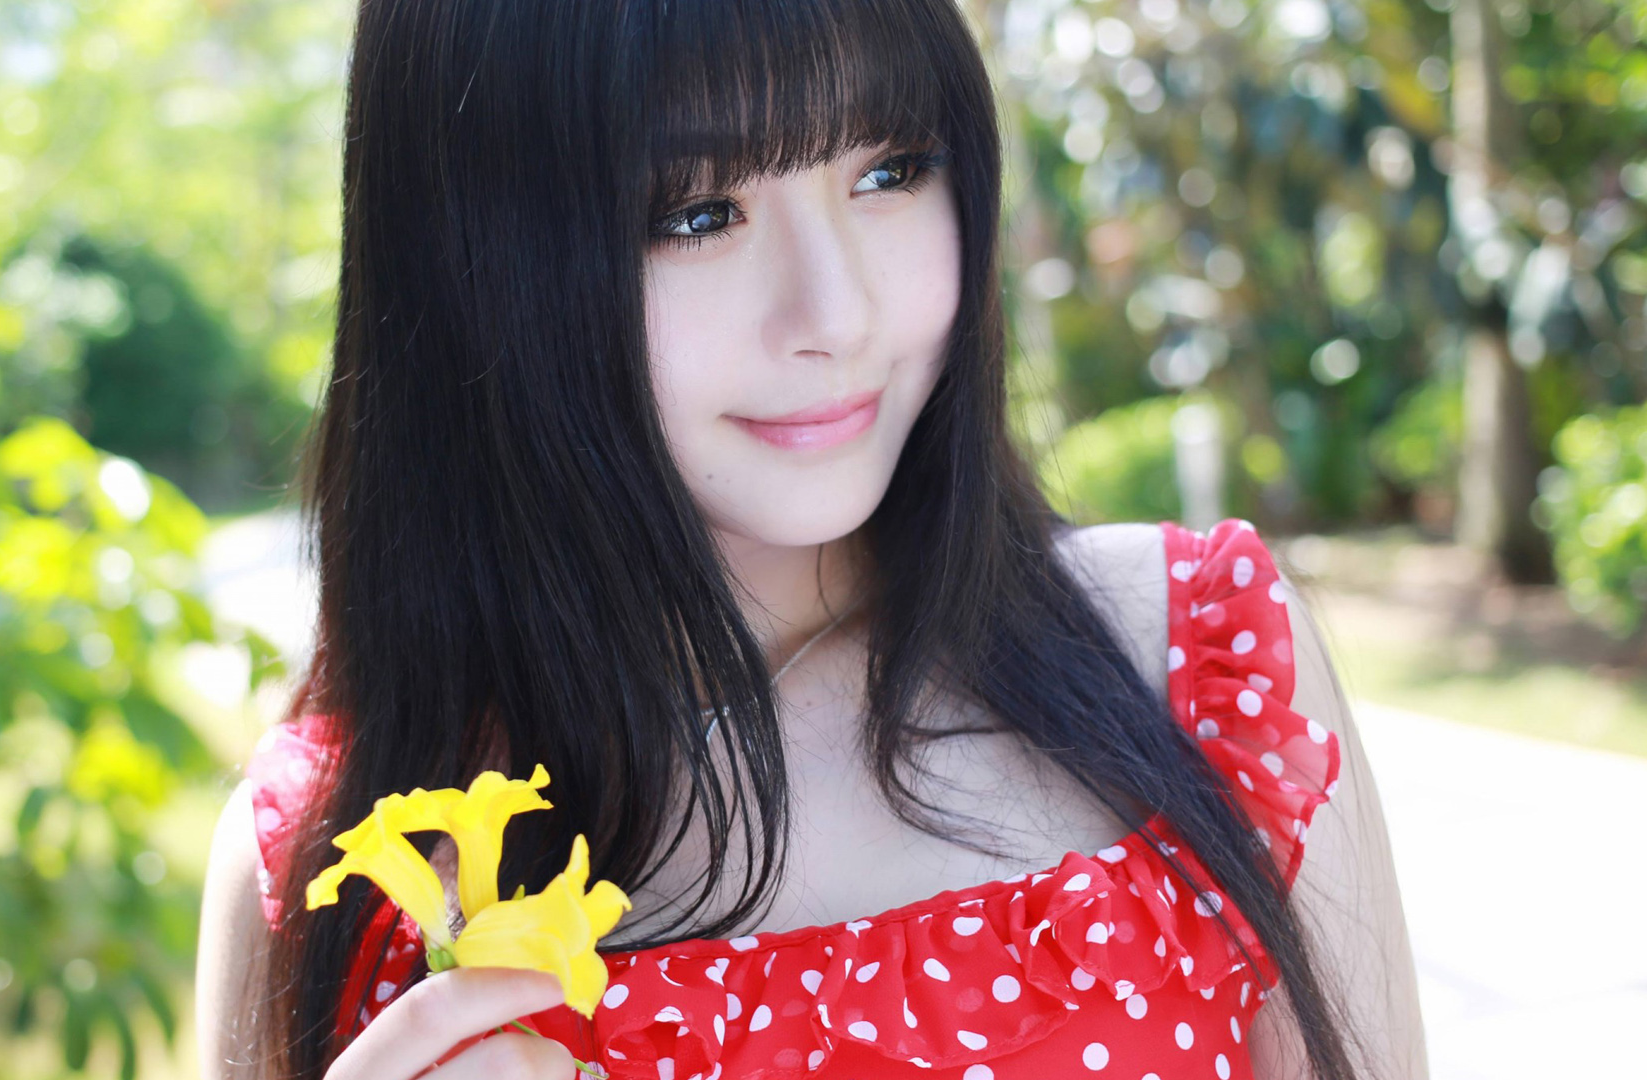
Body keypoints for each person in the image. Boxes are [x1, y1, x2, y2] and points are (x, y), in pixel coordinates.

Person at [195, 0, 1427, 1077]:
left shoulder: (1198, 662)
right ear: (470, 259)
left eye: (892, 170)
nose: (837, 313)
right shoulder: (351, 873)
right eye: (695, 213)